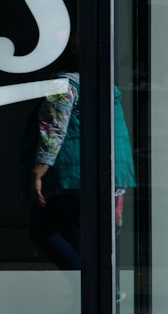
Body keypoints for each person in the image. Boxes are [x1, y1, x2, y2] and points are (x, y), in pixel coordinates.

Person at [29, 44, 137, 271]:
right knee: (92, 237)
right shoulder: (105, 87)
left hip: (78, 174)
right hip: (113, 172)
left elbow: (53, 128)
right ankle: (97, 290)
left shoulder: (64, 86)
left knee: (47, 231)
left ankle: (86, 285)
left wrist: (40, 170)